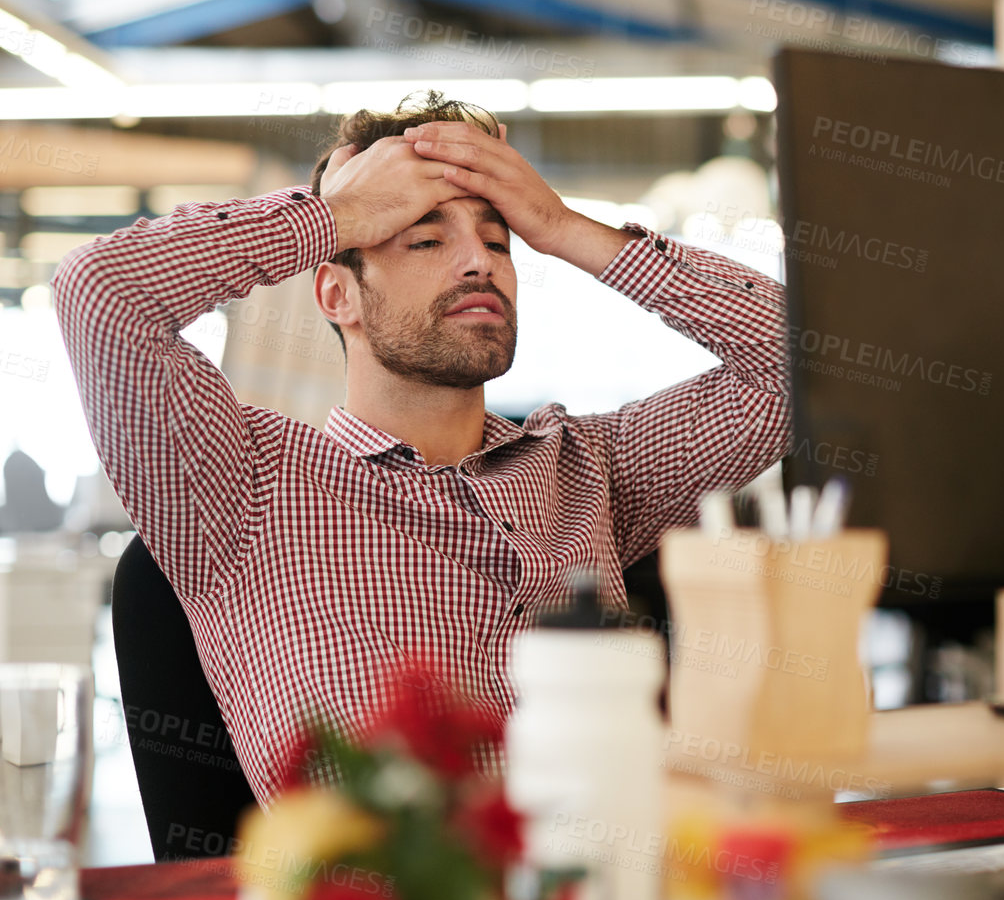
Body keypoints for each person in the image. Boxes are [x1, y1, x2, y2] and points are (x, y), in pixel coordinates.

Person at [53, 93, 790, 804]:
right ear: (337, 296)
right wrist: (335, 215)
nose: (481, 263)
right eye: (427, 238)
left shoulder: (590, 465)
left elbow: (798, 367)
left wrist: (565, 227)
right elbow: (101, 293)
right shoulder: (238, 484)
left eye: (498, 239)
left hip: (617, 893)